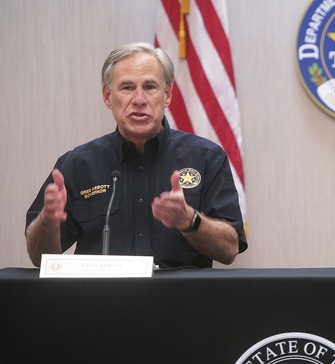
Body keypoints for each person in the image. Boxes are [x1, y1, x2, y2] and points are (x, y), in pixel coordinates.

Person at [25, 42, 247, 269]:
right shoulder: (76, 165)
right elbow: (39, 257)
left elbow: (229, 250)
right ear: (108, 96)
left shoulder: (207, 157)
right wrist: (47, 221)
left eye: (150, 86)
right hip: (100, 302)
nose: (139, 99)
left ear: (167, 95)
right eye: (127, 87)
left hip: (180, 301)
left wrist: (190, 220)